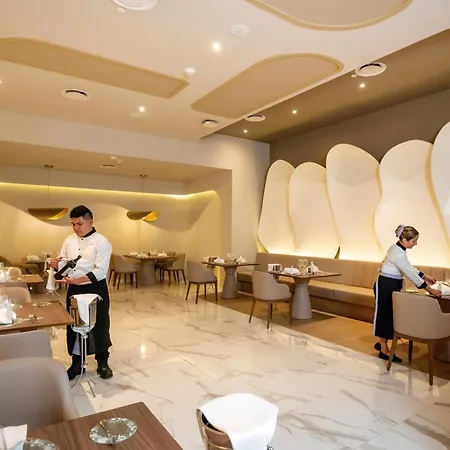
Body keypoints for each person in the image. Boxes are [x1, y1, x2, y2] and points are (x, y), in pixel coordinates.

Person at [51, 205, 113, 380]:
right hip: (74, 287)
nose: (76, 228)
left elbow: (101, 271)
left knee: (100, 323)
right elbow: (64, 263)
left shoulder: (102, 242)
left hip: (95, 287)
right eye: (73, 224)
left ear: (90, 221)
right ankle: (77, 362)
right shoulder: (69, 240)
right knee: (74, 324)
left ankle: (102, 361)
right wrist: (56, 265)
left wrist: (78, 280)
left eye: (79, 224)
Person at [373, 224, 441, 363]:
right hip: (385, 285)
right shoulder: (397, 253)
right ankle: (383, 348)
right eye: (414, 241)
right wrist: (431, 290)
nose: (416, 243)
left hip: (391, 284)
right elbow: (410, 273)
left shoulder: (399, 249)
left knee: (390, 315)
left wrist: (425, 276)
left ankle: (381, 343)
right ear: (404, 239)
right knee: (384, 315)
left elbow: (408, 267)